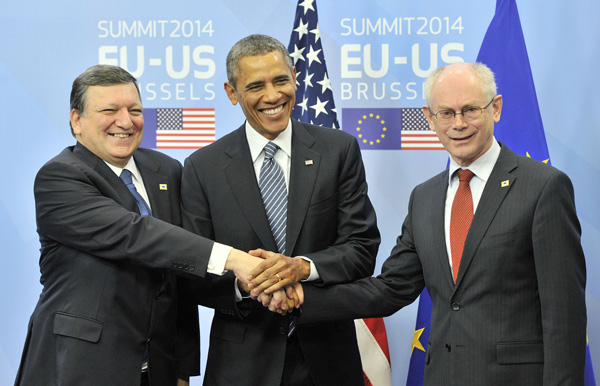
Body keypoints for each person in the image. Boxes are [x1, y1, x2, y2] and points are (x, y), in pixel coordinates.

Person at [262, 62, 587, 385]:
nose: (458, 124)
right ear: (429, 118)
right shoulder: (425, 197)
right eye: (446, 113)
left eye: (470, 110)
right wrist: (303, 298)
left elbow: (564, 313)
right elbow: (390, 289)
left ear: (496, 108)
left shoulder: (543, 187)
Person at [14, 64, 268, 386]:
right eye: (110, 110)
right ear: (76, 121)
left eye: (135, 110)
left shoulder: (167, 169)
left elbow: (180, 264)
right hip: (79, 366)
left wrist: (183, 367)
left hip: (157, 369)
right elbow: (136, 234)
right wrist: (237, 259)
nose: (126, 121)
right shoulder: (60, 177)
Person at [180, 34, 380, 386]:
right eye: (256, 86)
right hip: (241, 367)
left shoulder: (339, 150)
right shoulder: (202, 167)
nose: (273, 96)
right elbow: (194, 272)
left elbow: (362, 248)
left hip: (328, 359)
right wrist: (252, 284)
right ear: (232, 92)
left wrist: (302, 268)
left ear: (296, 77)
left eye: (281, 80)